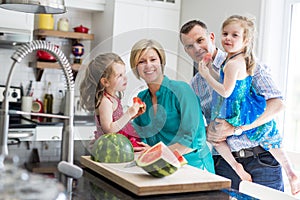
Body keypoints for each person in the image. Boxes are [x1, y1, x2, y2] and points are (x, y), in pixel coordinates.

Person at [197, 15, 299, 195]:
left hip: (237, 113)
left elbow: (226, 91)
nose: (228, 38)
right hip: (229, 148)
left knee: (262, 132)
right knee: (265, 134)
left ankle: (287, 172)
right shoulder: (235, 62)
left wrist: (206, 75)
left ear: (246, 40)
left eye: (234, 35)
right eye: (226, 33)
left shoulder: (234, 64)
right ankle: (288, 172)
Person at [129, 39, 215, 173]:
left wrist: (157, 153)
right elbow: (140, 137)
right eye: (141, 61)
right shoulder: (141, 98)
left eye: (153, 59)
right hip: (159, 168)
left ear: (161, 62)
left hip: (193, 168)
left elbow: (195, 139)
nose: (148, 65)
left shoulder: (182, 90)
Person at [80, 53, 145, 149]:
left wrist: (131, 116)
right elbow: (109, 130)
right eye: (119, 76)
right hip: (109, 147)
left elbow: (116, 122)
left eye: (124, 73)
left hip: (116, 143)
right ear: (105, 82)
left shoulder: (113, 98)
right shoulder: (105, 102)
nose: (125, 78)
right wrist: (129, 113)